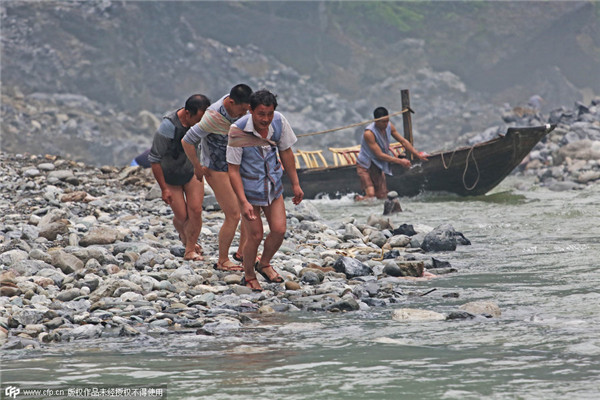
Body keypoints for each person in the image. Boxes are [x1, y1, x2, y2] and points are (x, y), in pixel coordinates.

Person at [227, 89, 303, 291]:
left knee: (279, 230)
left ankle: (265, 263)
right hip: (249, 189)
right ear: (250, 111)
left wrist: (295, 183)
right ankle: (249, 275)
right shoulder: (237, 130)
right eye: (261, 114)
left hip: (273, 185)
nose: (266, 119)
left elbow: (286, 152)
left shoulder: (279, 122)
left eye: (269, 114)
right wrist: (242, 201)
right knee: (255, 235)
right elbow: (233, 170)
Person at [182, 84, 253, 272]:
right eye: (242, 109)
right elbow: (187, 140)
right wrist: (197, 166)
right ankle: (222, 260)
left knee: (250, 209)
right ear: (231, 102)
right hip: (216, 168)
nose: (244, 113)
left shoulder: (242, 113)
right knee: (233, 214)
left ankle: (243, 252)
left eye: (247, 110)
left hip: (236, 166)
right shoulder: (213, 117)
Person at [148, 94, 211, 261]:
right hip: (170, 176)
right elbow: (155, 159)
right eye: (197, 119)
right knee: (183, 218)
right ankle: (184, 234)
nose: (200, 124)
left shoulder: (203, 122)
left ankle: (190, 249)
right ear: (188, 113)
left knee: (196, 211)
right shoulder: (168, 127)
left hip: (191, 171)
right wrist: (163, 189)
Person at [355, 107, 428, 200]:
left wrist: (417, 154)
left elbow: (403, 141)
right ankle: (357, 199)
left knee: (382, 196)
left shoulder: (389, 125)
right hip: (365, 165)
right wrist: (401, 161)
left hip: (377, 165)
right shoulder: (369, 133)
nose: (386, 124)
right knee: (371, 195)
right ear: (376, 121)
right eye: (383, 121)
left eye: (387, 120)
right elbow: (379, 155)